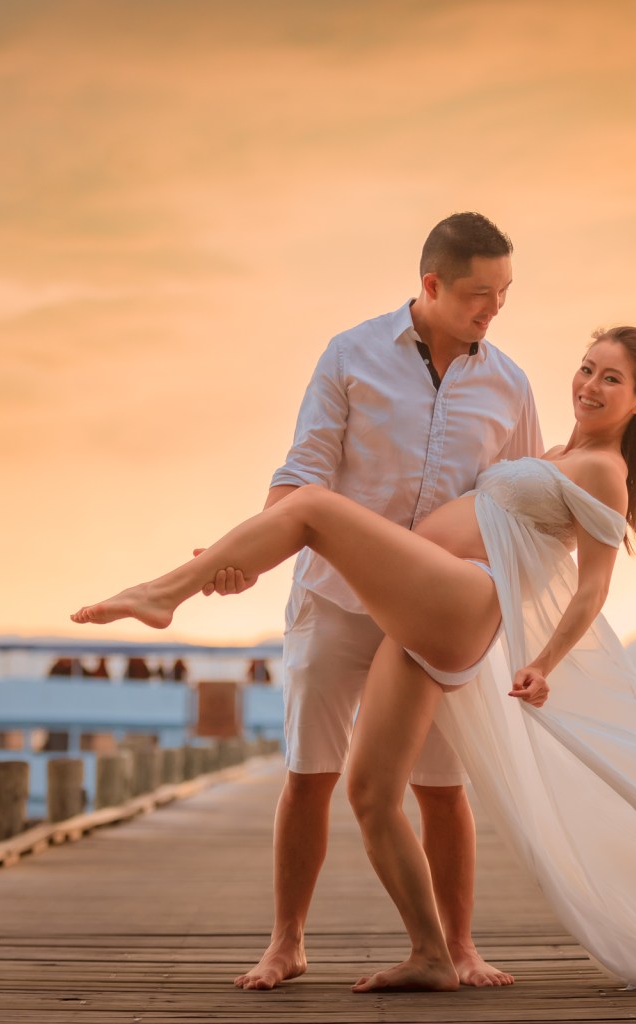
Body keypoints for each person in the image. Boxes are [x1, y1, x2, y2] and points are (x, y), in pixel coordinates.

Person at [72, 326, 636, 993]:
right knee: (372, 794)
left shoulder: (603, 468)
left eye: (613, 378)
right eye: (588, 367)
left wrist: (544, 661)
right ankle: (432, 954)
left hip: (463, 601)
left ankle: (166, 591)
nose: (591, 384)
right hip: (423, 618)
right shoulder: (554, 450)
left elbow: (592, 588)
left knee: (309, 511)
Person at [186, 212, 540, 990]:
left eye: (505, 293)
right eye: (480, 294)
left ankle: (460, 947)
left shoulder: (511, 386)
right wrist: (241, 551)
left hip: (431, 621)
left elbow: (518, 506)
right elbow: (303, 472)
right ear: (431, 284)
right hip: (335, 598)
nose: (494, 309)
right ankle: (287, 942)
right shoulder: (350, 355)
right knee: (309, 774)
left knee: (442, 788)